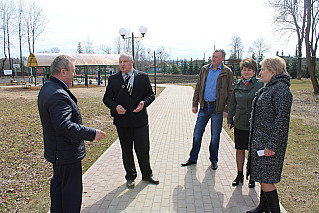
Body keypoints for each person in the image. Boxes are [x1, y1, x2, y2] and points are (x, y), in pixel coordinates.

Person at [38, 55, 106, 213]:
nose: (75, 75)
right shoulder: (58, 94)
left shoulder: (48, 87)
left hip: (58, 154)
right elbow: (64, 126)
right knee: (70, 197)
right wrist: (92, 133)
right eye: (73, 71)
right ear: (63, 71)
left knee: (59, 194)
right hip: (66, 155)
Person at [103, 52, 159, 188]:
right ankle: (130, 176)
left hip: (140, 121)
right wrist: (115, 107)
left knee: (143, 149)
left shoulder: (143, 77)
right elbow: (106, 98)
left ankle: (147, 175)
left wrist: (143, 103)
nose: (122, 64)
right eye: (120, 61)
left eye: (125, 61)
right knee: (126, 150)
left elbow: (151, 95)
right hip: (122, 122)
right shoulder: (113, 79)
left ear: (132, 63)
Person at [246, 56, 293, 213]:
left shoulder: (281, 90)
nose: (260, 72)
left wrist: (271, 146)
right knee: (262, 176)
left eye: (263, 69)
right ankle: (263, 207)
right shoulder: (268, 87)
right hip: (260, 143)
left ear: (273, 71)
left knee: (267, 180)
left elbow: (281, 122)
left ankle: (274, 210)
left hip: (269, 145)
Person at [181, 49, 234, 170]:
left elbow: (231, 92)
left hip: (218, 109)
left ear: (222, 59)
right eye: (213, 56)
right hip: (204, 107)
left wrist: (227, 109)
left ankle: (214, 160)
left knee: (215, 136)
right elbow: (198, 86)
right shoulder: (205, 69)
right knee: (197, 134)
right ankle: (193, 158)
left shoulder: (227, 72)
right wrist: (195, 104)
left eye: (216, 57)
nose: (213, 59)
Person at [227, 58, 264, 188]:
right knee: (240, 149)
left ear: (254, 71)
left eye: (249, 70)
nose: (246, 72)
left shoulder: (260, 85)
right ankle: (239, 174)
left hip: (255, 123)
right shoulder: (237, 84)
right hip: (240, 122)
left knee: (253, 151)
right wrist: (230, 119)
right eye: (244, 69)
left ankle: (252, 176)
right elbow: (232, 103)